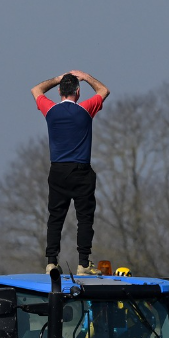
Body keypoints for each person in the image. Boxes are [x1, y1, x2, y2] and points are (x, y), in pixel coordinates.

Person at [31, 70, 110, 276]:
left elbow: (36, 89)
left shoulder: (50, 110)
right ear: (78, 91)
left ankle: (51, 262)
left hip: (57, 170)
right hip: (81, 169)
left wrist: (58, 78)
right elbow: (104, 90)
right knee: (84, 218)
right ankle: (83, 263)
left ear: (59, 91)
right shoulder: (85, 109)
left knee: (55, 217)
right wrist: (85, 76)